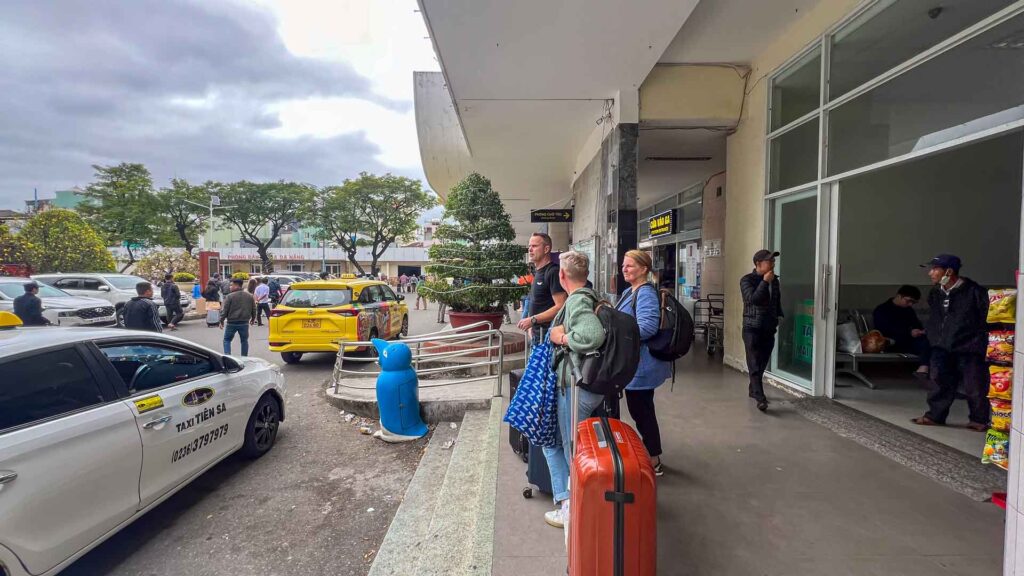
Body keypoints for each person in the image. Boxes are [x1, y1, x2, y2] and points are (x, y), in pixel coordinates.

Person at [542, 251, 606, 529]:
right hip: (584, 386)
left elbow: (593, 335)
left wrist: (562, 337)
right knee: (564, 443)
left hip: (575, 386)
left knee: (569, 446)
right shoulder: (592, 296)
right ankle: (572, 501)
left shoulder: (578, 300)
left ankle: (572, 508)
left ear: (562, 276)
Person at [911, 255, 990, 432]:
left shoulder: (975, 292)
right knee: (938, 381)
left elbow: (987, 318)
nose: (930, 273)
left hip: (969, 346)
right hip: (941, 345)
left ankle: (979, 419)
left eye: (934, 269)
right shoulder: (935, 293)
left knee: (974, 384)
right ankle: (935, 416)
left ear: (948, 271)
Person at [615, 250, 670, 476]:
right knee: (641, 409)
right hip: (634, 363)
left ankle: (654, 459)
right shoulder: (630, 291)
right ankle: (652, 453)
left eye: (629, 266)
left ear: (644, 269)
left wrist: (619, 335)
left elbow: (647, 327)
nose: (624, 269)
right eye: (623, 265)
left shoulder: (645, 293)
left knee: (642, 411)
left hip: (643, 365)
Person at [740, 249, 783, 412]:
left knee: (762, 361)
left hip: (769, 327)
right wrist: (764, 282)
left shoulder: (775, 281)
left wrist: (779, 315)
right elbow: (753, 300)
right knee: (754, 363)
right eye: (769, 261)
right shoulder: (747, 280)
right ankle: (760, 397)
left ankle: (753, 388)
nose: (772, 264)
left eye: (773, 261)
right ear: (758, 264)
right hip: (752, 327)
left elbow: (775, 301)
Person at [516, 232, 566, 344]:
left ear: (546, 249)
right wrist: (531, 326)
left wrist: (533, 320)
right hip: (537, 335)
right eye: (529, 246)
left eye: (534, 246)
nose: (530, 249)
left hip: (548, 337)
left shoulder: (553, 272)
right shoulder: (538, 272)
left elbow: (561, 306)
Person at [873, 285, 930, 376]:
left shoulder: (908, 310)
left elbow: (916, 324)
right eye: (908, 301)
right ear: (899, 296)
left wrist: (918, 331)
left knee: (927, 341)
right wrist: (909, 333)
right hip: (891, 342)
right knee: (923, 344)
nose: (910, 304)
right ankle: (923, 367)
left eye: (913, 302)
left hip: (909, 341)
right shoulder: (882, 310)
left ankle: (924, 367)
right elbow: (883, 330)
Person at [221, 278, 257, 356]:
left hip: (231, 322)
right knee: (244, 341)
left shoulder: (229, 296)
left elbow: (225, 310)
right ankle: (244, 357)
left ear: (236, 286)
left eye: (231, 285)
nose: (230, 287)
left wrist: (221, 321)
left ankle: (228, 357)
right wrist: (253, 318)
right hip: (244, 322)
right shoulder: (249, 296)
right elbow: (254, 308)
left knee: (227, 340)